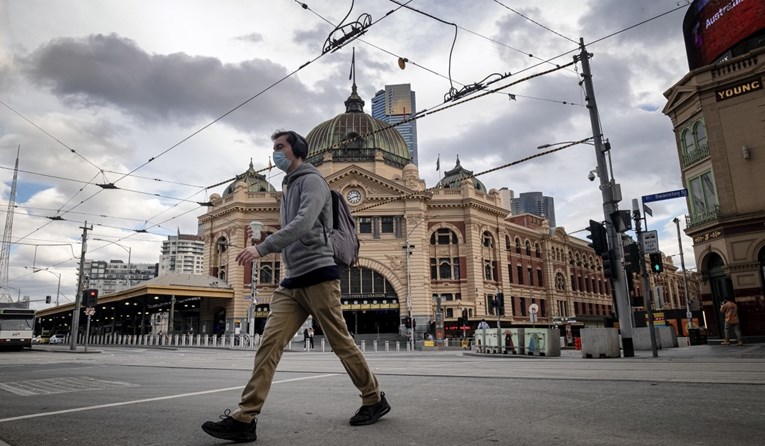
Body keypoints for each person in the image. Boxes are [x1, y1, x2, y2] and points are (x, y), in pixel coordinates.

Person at [202, 130, 390, 443]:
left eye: (279, 147)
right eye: (273, 147)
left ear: (297, 150)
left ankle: (374, 398)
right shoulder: (289, 186)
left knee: (341, 342)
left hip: (318, 275)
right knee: (268, 345)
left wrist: (261, 248)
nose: (274, 153)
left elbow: (304, 223)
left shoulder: (312, 180)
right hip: (291, 281)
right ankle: (245, 418)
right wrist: (269, 243)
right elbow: (294, 230)